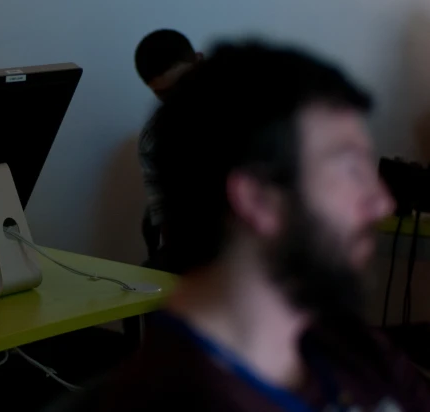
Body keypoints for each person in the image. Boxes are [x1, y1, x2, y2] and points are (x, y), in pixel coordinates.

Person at [61, 41, 430, 410]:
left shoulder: (357, 352)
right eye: (350, 169)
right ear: (258, 200)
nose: (381, 202)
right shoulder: (162, 398)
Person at [134, 29, 202, 267]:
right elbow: (163, 213)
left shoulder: (257, 113)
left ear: (200, 62)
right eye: (163, 94)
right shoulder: (154, 139)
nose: (177, 99)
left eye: (183, 83)